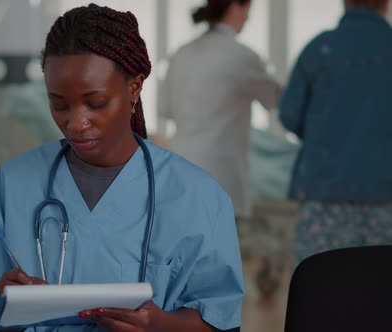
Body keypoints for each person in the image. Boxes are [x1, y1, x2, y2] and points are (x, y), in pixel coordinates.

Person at [0, 4, 243, 332]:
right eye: (59, 104)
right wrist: (7, 308)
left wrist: (160, 324)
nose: (76, 123)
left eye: (95, 103)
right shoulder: (13, 184)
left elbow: (220, 321)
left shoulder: (198, 196)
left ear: (134, 87)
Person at [279, 0, 392, 267]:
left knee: (322, 292)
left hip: (325, 196)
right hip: (387, 197)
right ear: (385, 4)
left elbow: (289, 115)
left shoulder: (319, 49)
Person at [159, 0, 281, 218]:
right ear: (235, 7)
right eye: (247, 11)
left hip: (178, 175)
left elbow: (165, 109)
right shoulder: (241, 56)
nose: (247, 18)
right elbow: (277, 100)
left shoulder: (180, 55)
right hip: (220, 176)